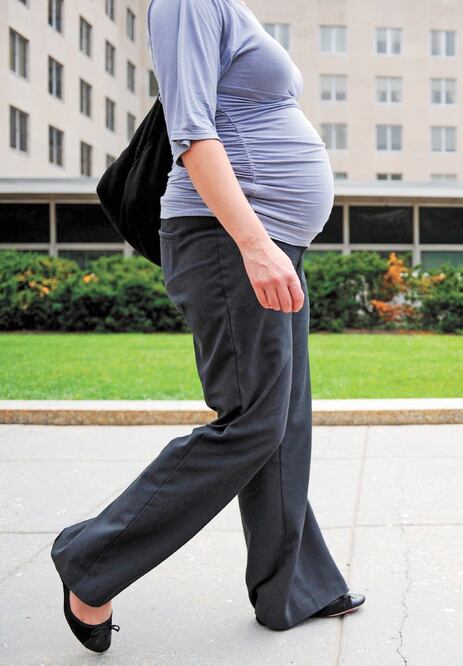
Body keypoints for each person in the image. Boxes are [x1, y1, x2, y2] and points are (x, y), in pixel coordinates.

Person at [51, 0, 364, 653]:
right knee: (252, 421)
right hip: (231, 241)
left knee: (282, 422)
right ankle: (90, 561)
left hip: (266, 241)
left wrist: (268, 244)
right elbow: (191, 132)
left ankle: (291, 587)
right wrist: (253, 243)